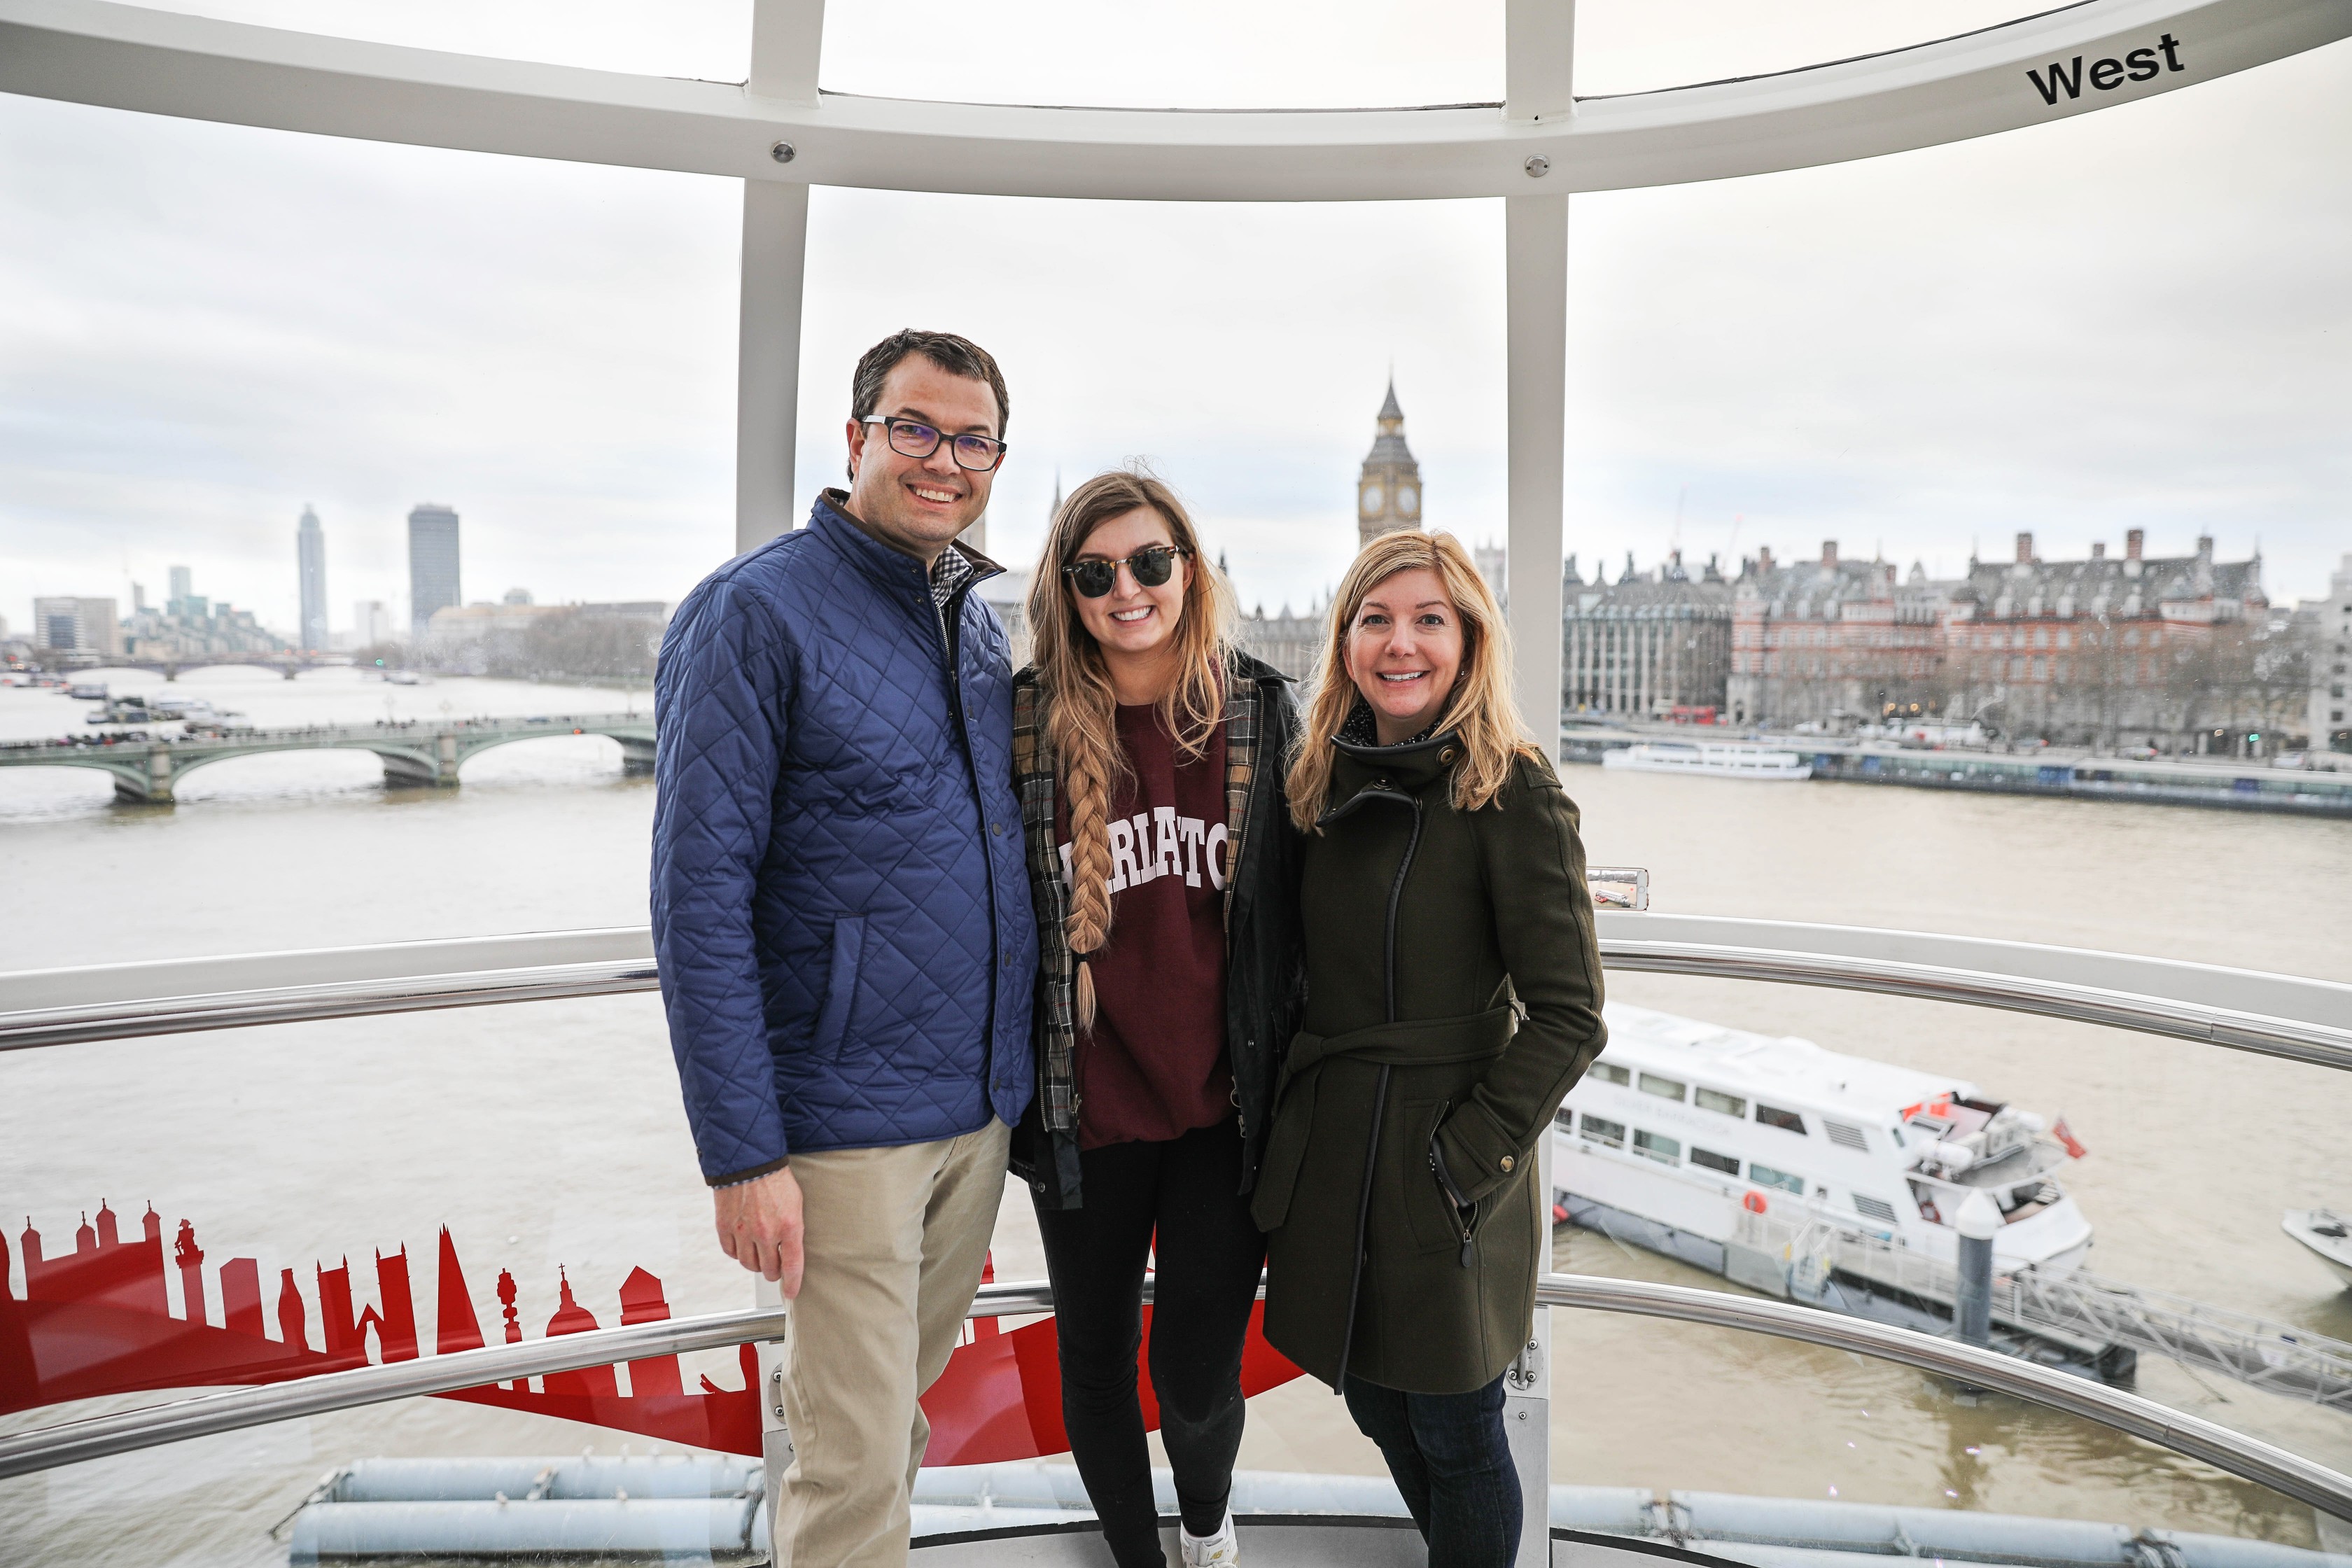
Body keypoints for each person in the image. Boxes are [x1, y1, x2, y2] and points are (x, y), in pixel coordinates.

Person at [650, 329, 1037, 1567]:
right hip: (846, 1128)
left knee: (888, 1428)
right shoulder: (752, 613)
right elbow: (696, 894)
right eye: (916, 428)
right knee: (850, 1457)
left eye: (973, 440)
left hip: (974, 1111)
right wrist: (743, 1153)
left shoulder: (978, 623)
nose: (945, 461)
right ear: (858, 435)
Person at [1251, 530, 1606, 1568]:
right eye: (1376, 620)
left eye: (1428, 621)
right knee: (1369, 1397)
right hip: (1333, 1149)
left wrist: (1466, 1161)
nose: (1400, 645)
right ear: (1345, 642)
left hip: (1441, 1160)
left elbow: (1572, 1011)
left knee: (1457, 1430)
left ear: (1470, 640)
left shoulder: (1514, 792)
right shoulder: (1314, 782)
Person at [1011, 470, 1306, 1568]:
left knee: (1195, 1373)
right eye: (1096, 574)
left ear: (1189, 565)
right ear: (1069, 592)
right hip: (1082, 1106)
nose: (1127, 590)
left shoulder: (1263, 712)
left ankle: (1205, 1525)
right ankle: (1137, 1557)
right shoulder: (1026, 724)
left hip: (1224, 1110)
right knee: (1093, 1356)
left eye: (1149, 562)